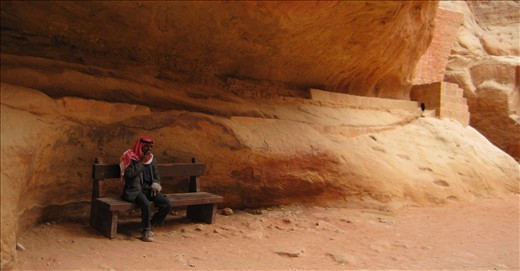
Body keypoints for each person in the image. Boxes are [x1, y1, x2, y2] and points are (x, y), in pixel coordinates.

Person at [119, 136, 172, 242]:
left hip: (149, 189)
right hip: (134, 190)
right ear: (140, 145)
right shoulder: (129, 156)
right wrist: (141, 162)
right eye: (146, 146)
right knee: (146, 204)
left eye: (151, 146)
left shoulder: (151, 158)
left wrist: (156, 184)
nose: (149, 149)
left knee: (167, 204)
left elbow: (156, 175)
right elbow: (129, 174)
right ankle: (146, 230)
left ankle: (150, 225)